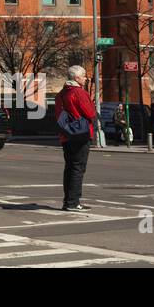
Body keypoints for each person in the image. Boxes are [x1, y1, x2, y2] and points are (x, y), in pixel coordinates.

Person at [56, 64, 97, 212]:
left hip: (66, 135)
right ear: (77, 78)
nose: (86, 78)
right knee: (78, 168)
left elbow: (58, 115)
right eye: (84, 76)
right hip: (80, 134)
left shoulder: (61, 93)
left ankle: (68, 200)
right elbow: (90, 113)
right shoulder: (78, 92)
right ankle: (73, 202)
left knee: (70, 167)